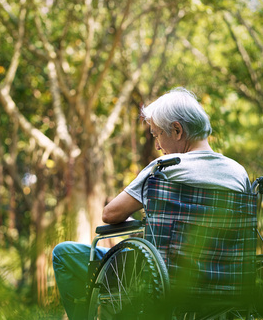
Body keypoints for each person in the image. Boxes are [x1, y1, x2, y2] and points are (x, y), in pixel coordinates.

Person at [52, 87, 251, 319]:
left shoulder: (165, 168)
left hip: (162, 277)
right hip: (226, 281)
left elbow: (110, 214)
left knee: (63, 253)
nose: (157, 145)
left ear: (177, 130)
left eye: (157, 134)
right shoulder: (239, 174)